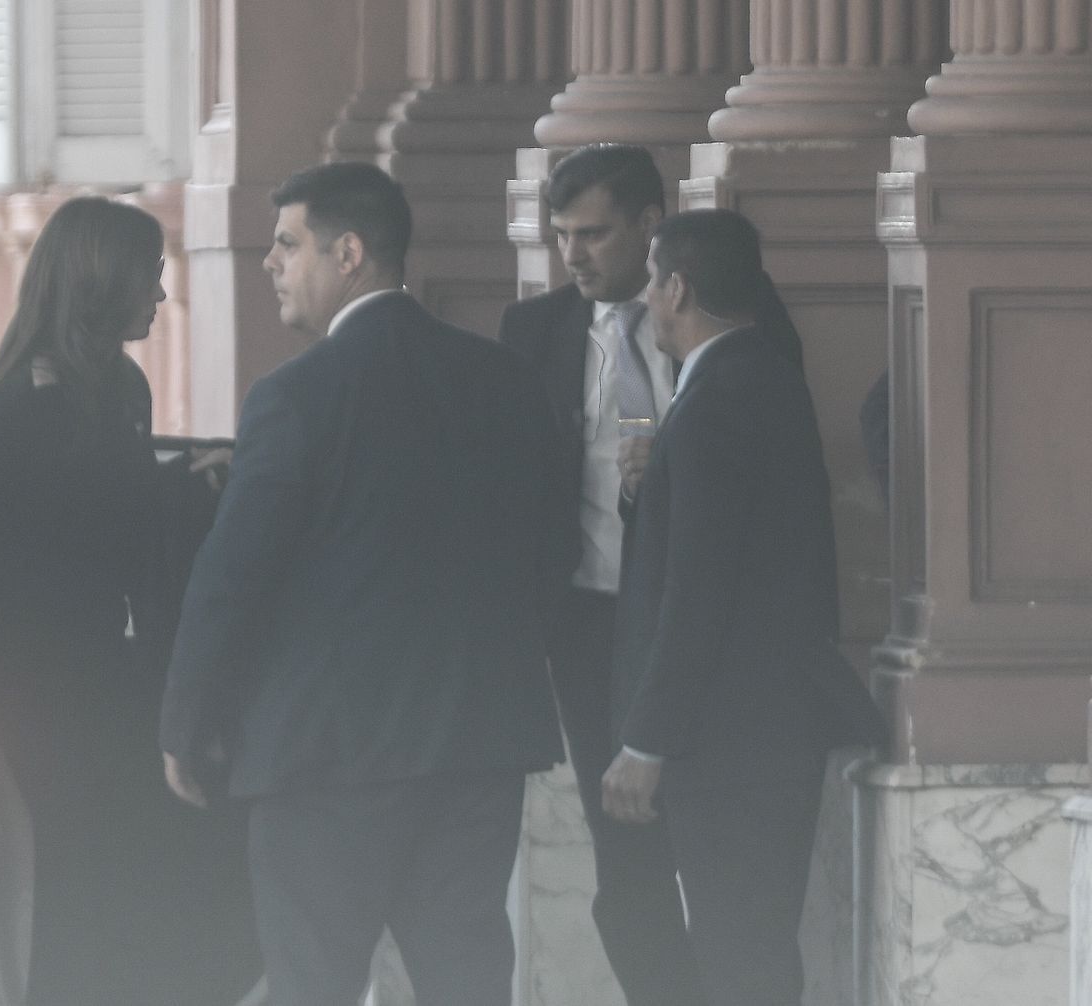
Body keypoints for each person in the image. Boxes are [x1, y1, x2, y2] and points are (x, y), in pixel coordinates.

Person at [160, 161, 567, 1006]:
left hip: (327, 755)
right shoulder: (506, 382)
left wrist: (185, 720)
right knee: (468, 980)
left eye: (286, 244)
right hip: (476, 740)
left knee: (314, 984)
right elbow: (548, 549)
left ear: (349, 254)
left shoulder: (295, 398)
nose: (269, 262)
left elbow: (233, 577)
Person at [0, 197, 254, 1006]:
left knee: (133, 855)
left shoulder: (120, 389)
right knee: (92, 858)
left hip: (108, 665)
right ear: (103, 284)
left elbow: (112, 511)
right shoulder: (30, 404)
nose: (162, 297)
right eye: (151, 279)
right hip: (39, 677)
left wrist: (181, 481)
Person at [495, 143, 806, 1006]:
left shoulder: (731, 312)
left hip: (704, 629)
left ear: (649, 225)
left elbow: (757, 447)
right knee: (624, 860)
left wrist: (668, 461)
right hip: (592, 623)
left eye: (592, 233)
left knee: (727, 869)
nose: (574, 255)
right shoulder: (534, 332)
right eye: (561, 236)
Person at [602, 209, 885, 1005]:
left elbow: (698, 590)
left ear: (678, 286)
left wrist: (646, 741)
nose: (649, 300)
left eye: (654, 282)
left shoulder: (719, 399)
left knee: (740, 959)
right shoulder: (759, 376)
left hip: (733, 745)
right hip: (763, 736)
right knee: (748, 952)